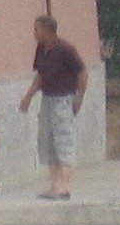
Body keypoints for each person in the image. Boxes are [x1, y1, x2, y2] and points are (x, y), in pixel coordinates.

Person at [20, 12, 87, 201]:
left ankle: (65, 185)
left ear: (47, 31)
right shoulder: (41, 49)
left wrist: (79, 98)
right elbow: (40, 76)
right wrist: (28, 97)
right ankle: (55, 184)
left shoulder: (65, 49)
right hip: (47, 98)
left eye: (37, 29)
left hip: (63, 98)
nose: (34, 33)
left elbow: (83, 73)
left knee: (63, 138)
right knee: (48, 140)